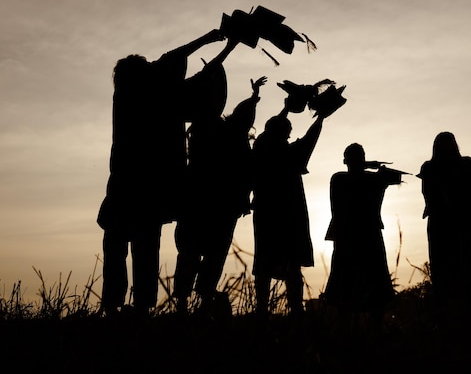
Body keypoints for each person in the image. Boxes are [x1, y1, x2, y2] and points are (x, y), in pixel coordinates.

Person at [97, 29, 236, 317]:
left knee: (120, 248)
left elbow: (189, 71)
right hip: (146, 189)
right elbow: (178, 66)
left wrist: (223, 46)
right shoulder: (146, 95)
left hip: (127, 186)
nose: (153, 67)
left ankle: (117, 306)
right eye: (146, 66)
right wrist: (209, 40)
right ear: (138, 73)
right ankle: (138, 306)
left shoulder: (132, 95)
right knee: (141, 248)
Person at [173, 76, 267, 314]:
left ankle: (188, 302)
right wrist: (253, 99)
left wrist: (254, 99)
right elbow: (241, 120)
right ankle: (197, 301)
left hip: (204, 201)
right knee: (206, 253)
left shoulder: (202, 129)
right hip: (218, 202)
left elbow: (241, 119)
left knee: (194, 253)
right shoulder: (217, 130)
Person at [250, 97, 332, 320]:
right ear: (284, 134)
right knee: (291, 264)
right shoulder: (288, 154)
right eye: (287, 132)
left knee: (265, 263)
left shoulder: (260, 150)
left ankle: (261, 310)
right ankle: (295, 309)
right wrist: (321, 117)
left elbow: (271, 131)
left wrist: (286, 108)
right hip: (289, 214)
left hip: (266, 212)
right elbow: (309, 139)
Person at [417, 131, 471, 326]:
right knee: (450, 271)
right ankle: (457, 317)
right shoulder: (452, 166)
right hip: (451, 226)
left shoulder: (437, 167)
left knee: (457, 270)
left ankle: (458, 317)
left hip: (452, 226)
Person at [323, 143, 404, 334]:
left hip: (348, 238)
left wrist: (366, 165)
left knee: (350, 284)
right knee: (370, 283)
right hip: (365, 237)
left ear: (345, 161)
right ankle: (370, 330)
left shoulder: (339, 178)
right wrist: (371, 165)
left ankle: (353, 331)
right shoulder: (370, 179)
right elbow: (396, 177)